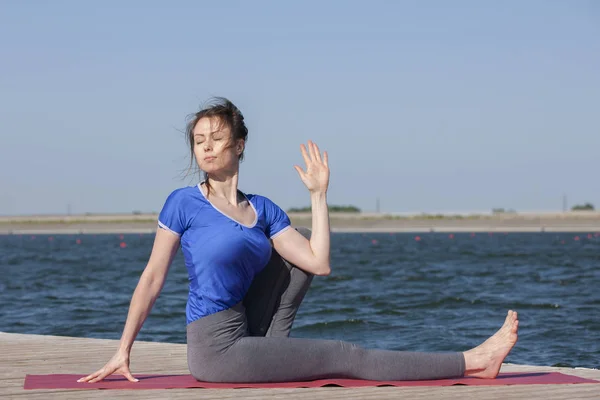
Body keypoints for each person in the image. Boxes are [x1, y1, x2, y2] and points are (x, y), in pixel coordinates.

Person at [78, 97, 519, 384]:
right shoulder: (183, 203)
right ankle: (473, 361)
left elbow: (317, 263)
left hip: (249, 330)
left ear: (240, 144)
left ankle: (272, 348)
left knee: (301, 241)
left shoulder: (263, 209)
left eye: (216, 138)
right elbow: (153, 277)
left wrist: (319, 196)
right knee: (347, 355)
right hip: (215, 349)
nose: (206, 148)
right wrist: (122, 351)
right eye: (198, 141)